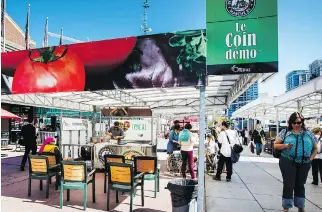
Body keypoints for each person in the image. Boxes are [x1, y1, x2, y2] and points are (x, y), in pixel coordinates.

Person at [274, 112, 318, 212]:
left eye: (299, 122)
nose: (296, 125)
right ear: (290, 123)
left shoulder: (309, 133)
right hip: (287, 161)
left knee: (300, 185)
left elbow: (315, 148)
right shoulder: (285, 132)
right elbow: (275, 145)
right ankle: (286, 207)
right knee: (288, 184)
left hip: (304, 162)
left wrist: (310, 159)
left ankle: (300, 206)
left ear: (302, 122)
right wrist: (285, 146)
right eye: (294, 123)